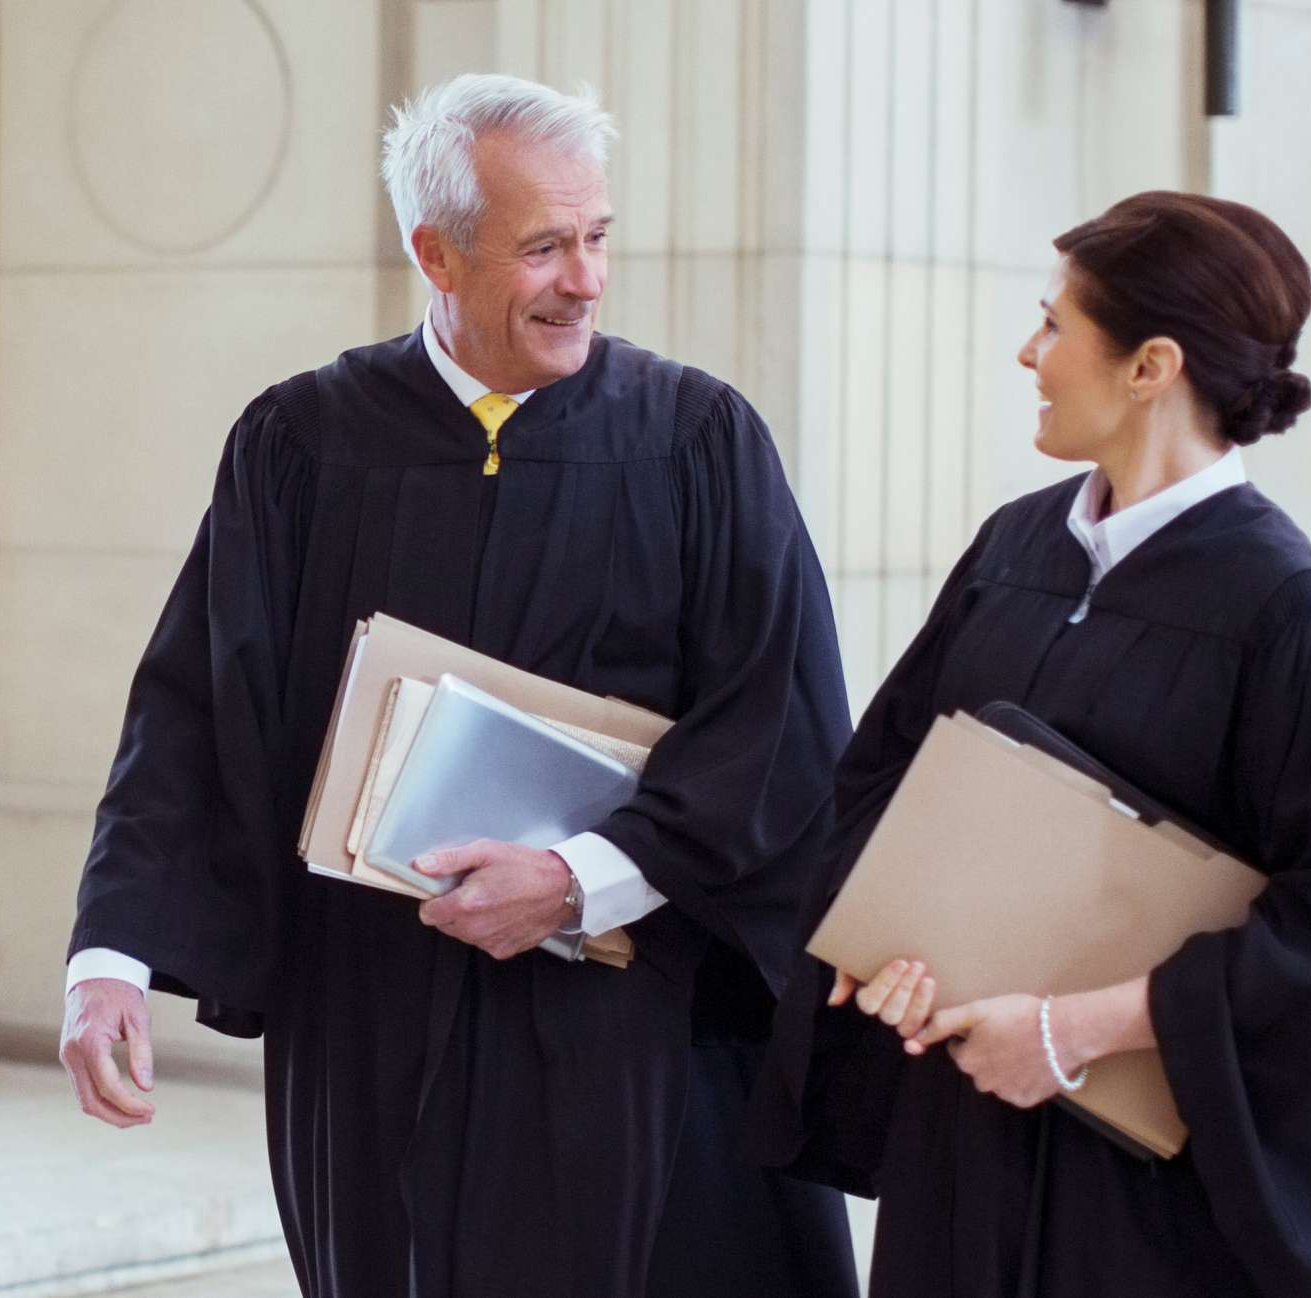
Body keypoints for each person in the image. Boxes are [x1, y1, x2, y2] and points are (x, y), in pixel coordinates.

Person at [58, 73, 858, 1298]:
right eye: (544, 248)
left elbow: (778, 724)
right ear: (434, 253)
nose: (587, 279)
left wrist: (579, 880)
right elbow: (197, 708)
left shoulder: (693, 441)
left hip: (630, 1017)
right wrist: (110, 956)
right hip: (373, 1007)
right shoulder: (304, 442)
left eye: (597, 236)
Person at [752, 190, 1311, 1296]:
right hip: (962, 1122)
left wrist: (1070, 1031)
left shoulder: (1278, 608)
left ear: (1151, 366)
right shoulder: (1014, 549)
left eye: (1054, 324)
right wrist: (892, 947)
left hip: (1141, 1180)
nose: (1029, 353)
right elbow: (882, 780)